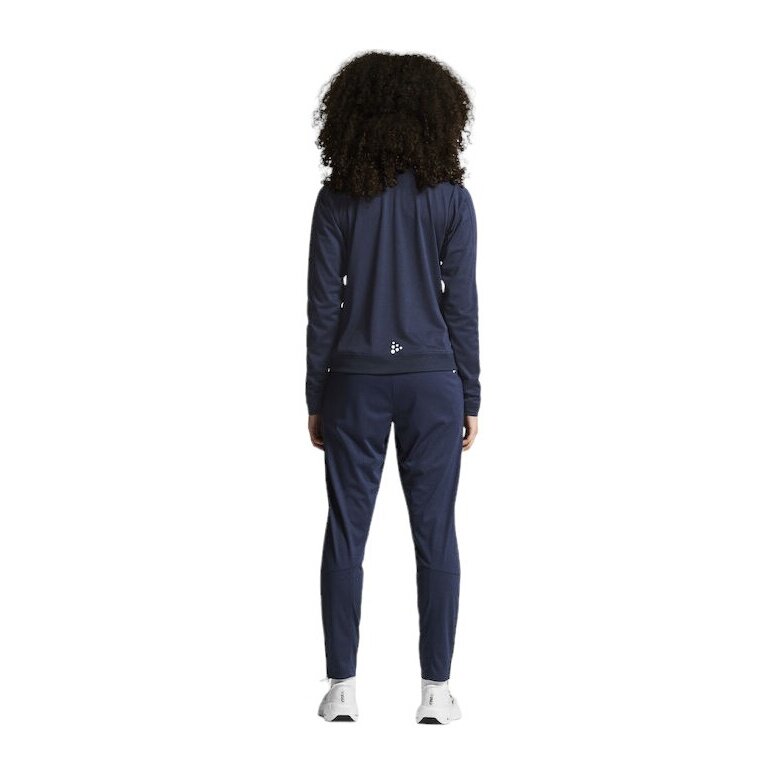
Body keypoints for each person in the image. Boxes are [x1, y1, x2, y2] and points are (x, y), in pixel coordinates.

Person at [305, 51, 481, 725]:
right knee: (436, 533)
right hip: (432, 382)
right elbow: (461, 305)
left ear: (351, 117)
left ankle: (341, 689)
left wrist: (315, 395)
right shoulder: (452, 200)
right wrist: (471, 394)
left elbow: (323, 305)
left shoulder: (336, 199)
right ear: (439, 117)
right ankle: (435, 692)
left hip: (353, 382)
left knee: (346, 532)